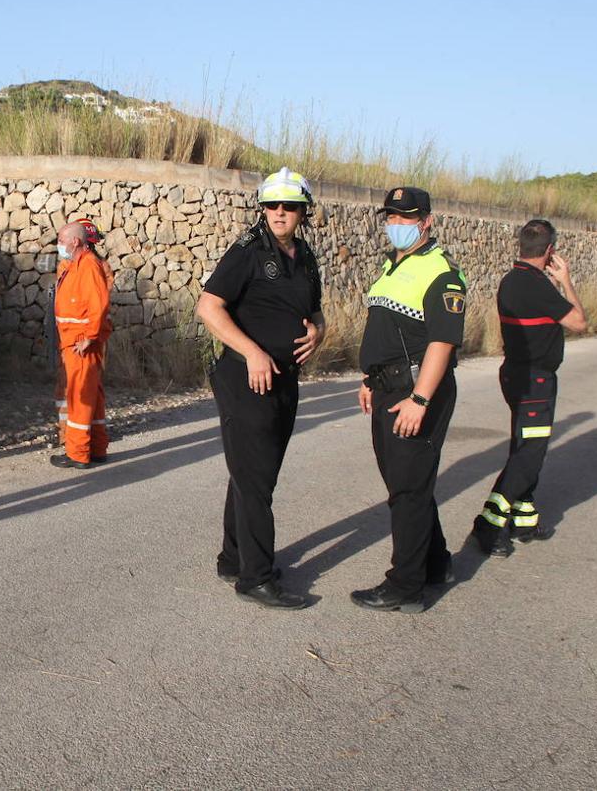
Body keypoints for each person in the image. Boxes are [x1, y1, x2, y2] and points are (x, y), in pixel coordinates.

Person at [196, 168, 325, 610]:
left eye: (289, 206)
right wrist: (251, 351)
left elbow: (315, 311)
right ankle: (255, 577)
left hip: (285, 379)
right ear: (262, 208)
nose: (279, 213)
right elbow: (209, 307)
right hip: (243, 379)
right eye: (272, 205)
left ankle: (234, 557)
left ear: (303, 211)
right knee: (255, 481)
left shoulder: (305, 257)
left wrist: (319, 332)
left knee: (255, 474)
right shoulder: (247, 252)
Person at [353, 186, 466, 614]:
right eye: (392, 217)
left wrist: (420, 399)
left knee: (407, 489)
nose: (397, 225)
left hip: (416, 391)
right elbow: (385, 333)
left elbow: (442, 343)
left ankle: (405, 586)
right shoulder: (392, 266)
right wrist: (369, 378)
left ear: (428, 221)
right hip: (387, 388)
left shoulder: (441, 274)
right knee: (409, 483)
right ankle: (435, 563)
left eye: (407, 217)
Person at [471, 219, 588, 556]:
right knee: (529, 455)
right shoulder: (538, 286)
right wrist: (565, 281)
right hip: (535, 380)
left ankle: (524, 519)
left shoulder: (511, 280)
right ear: (549, 251)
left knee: (523, 445)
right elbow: (579, 322)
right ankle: (488, 524)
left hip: (515, 374)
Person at [51, 220, 113, 469]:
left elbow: (98, 304)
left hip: (80, 342)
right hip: (76, 340)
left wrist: (89, 335)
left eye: (62, 240)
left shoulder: (87, 266)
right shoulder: (75, 265)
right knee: (92, 396)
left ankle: (77, 453)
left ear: (75, 241)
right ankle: (96, 448)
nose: (59, 245)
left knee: (79, 397)